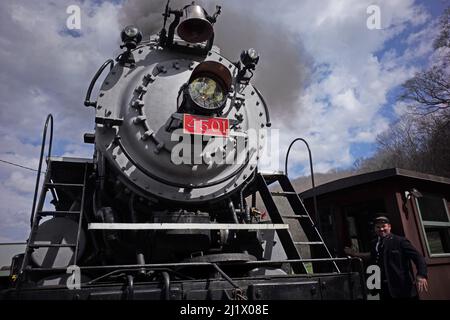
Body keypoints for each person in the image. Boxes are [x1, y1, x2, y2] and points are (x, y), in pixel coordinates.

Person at [344, 215, 428, 300]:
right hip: (383, 288)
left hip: (402, 288)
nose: (381, 229)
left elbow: (418, 257)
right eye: (378, 227)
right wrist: (354, 254)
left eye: (384, 226)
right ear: (375, 229)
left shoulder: (400, 241)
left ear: (389, 227)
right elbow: (372, 256)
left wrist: (421, 275)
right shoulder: (374, 243)